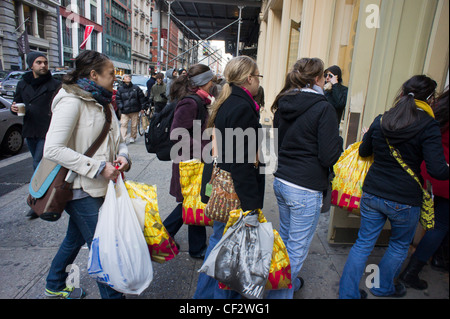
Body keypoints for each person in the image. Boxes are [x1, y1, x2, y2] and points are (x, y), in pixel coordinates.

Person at [339, 75, 449, 299]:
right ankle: (381, 287)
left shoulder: (382, 119)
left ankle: (347, 293)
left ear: (402, 93)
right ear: (430, 98)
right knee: (399, 245)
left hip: (373, 193)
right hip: (405, 200)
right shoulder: (428, 125)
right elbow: (438, 170)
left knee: (362, 244)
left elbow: (363, 152)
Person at [43, 50, 131, 299]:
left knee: (75, 238)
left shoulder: (103, 100)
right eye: (112, 73)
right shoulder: (71, 101)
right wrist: (100, 167)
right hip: (79, 188)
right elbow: (53, 149)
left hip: (103, 187)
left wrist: (123, 156)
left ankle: (55, 284)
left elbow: (119, 139)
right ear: (94, 74)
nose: (117, 77)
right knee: (104, 251)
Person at [267, 58, 343, 299]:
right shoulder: (323, 108)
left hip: (282, 182)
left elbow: (277, 145)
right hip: (305, 188)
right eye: (323, 77)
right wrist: (338, 141)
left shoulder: (283, 103)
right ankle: (277, 294)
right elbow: (329, 155)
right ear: (316, 79)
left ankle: (285, 285)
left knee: (288, 241)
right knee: (296, 250)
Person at [194, 56, 265, 299]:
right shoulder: (242, 107)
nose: (259, 81)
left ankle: (203, 298)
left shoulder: (228, 101)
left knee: (218, 244)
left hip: (223, 185)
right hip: (235, 191)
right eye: (259, 76)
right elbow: (242, 163)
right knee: (227, 251)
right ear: (249, 78)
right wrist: (251, 208)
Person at [399, 87, 449, 290]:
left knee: (423, 216)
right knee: (440, 225)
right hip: (445, 175)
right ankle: (411, 272)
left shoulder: (437, 107)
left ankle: (405, 255)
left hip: (426, 170)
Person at [163, 64, 214, 259]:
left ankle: (197, 247)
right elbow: (177, 133)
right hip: (189, 163)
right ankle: (161, 236)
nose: (213, 84)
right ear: (204, 82)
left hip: (195, 161)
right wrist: (204, 149)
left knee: (195, 201)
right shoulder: (191, 103)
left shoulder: (201, 100)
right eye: (211, 81)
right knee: (189, 202)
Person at [10, 52, 61, 219]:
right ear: (31, 65)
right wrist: (14, 108)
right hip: (30, 129)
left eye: (45, 62)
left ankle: (37, 200)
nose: (43, 65)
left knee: (38, 164)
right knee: (39, 164)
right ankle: (43, 196)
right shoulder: (23, 83)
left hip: (48, 130)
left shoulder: (55, 84)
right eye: (39, 62)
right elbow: (16, 102)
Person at [116, 74, 148, 143]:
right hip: (125, 110)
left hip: (135, 109)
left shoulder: (136, 88)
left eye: (129, 77)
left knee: (134, 125)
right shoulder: (120, 89)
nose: (128, 78)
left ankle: (133, 137)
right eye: (126, 77)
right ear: (123, 80)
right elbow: (118, 99)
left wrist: (143, 107)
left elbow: (141, 98)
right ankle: (123, 138)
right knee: (123, 124)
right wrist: (121, 106)